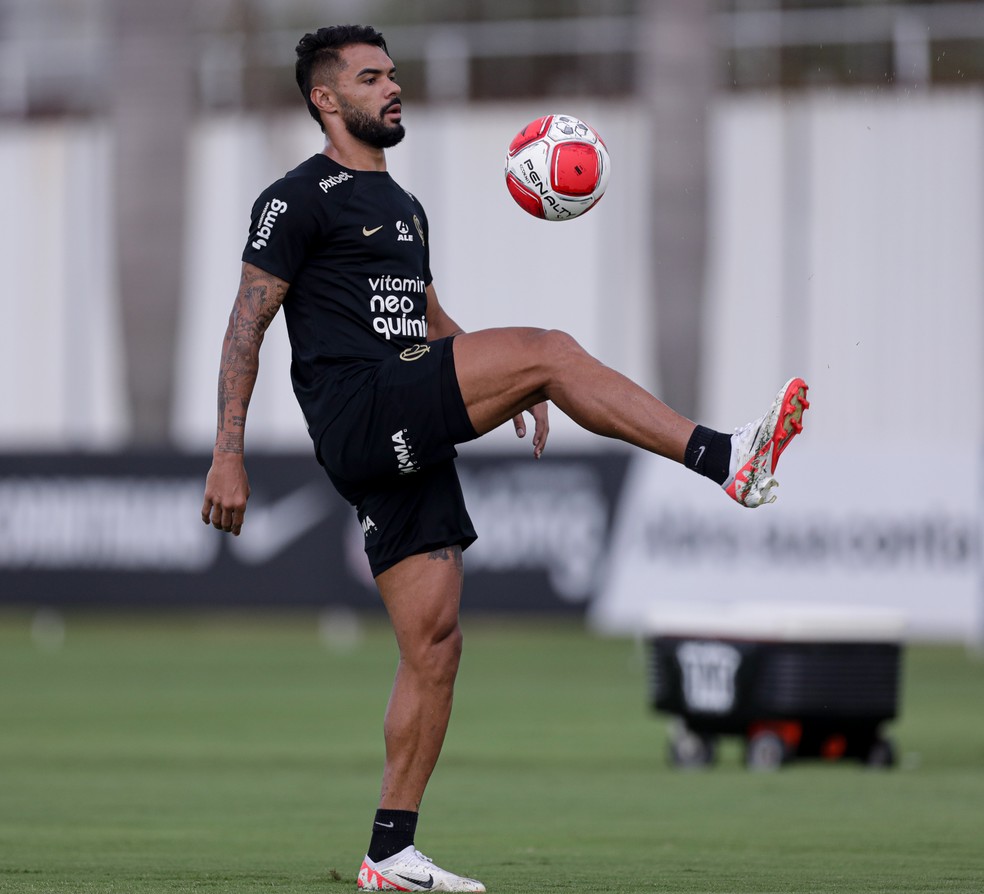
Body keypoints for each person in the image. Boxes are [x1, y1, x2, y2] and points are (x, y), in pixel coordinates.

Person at [200, 23, 809, 893]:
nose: (392, 87)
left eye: (393, 74)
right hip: (360, 407)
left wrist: (499, 383)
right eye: (371, 78)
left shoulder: (403, 207)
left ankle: (389, 853)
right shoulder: (297, 198)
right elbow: (246, 322)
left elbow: (424, 316)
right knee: (554, 350)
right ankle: (724, 458)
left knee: (435, 643)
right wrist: (230, 450)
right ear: (324, 100)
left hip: (401, 411)